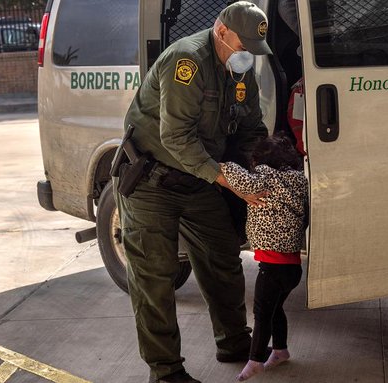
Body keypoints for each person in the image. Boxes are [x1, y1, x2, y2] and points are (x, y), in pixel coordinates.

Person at [113, 2, 272, 382]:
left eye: (253, 47)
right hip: (152, 181)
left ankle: (233, 340)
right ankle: (166, 371)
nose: (247, 53)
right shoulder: (187, 61)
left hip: (197, 180)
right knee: (155, 277)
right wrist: (225, 179)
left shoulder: (239, 70)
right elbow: (176, 136)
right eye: (243, 44)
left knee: (222, 257)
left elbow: (250, 125)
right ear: (221, 32)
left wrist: (261, 168)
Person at [219, 135, 308, 381]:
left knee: (261, 313)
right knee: (275, 309)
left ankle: (255, 360)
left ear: (262, 161)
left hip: (273, 265)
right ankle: (280, 350)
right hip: (291, 266)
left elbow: (242, 181)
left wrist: (222, 165)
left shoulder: (265, 177)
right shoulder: (299, 181)